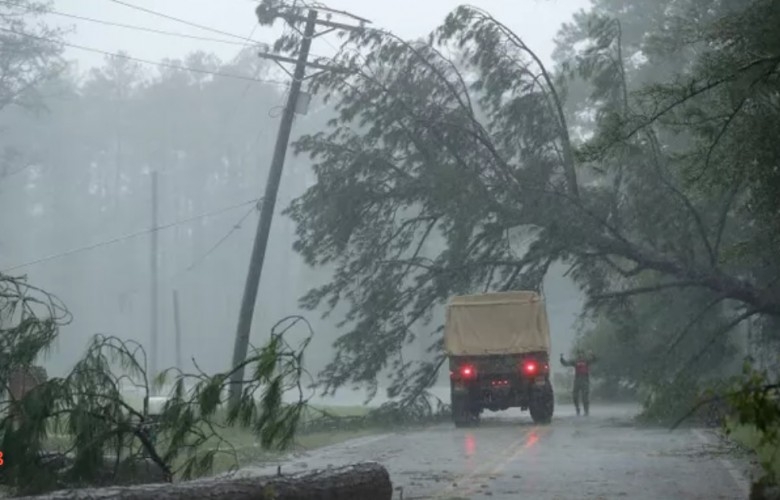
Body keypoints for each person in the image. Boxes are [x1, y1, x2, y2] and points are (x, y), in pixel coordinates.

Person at [560, 349, 596, 416]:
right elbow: (566, 363)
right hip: (577, 379)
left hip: (585, 379)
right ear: (578, 355)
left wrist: (592, 354)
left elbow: (594, 360)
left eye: (581, 353)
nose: (580, 355)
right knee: (575, 396)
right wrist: (561, 359)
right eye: (579, 354)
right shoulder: (575, 361)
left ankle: (586, 411)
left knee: (585, 396)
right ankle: (577, 409)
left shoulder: (586, 361)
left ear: (583, 354)